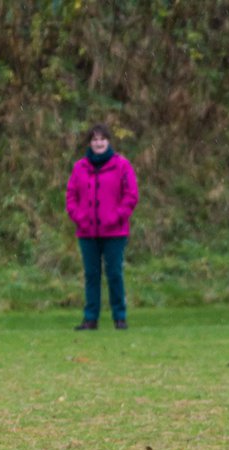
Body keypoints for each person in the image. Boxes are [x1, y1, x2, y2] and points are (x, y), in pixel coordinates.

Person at [66, 123, 139, 330]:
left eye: (102, 139)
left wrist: (117, 217)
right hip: (87, 232)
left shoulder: (122, 165)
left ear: (108, 141)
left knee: (114, 273)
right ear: (90, 143)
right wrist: (80, 217)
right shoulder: (79, 167)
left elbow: (131, 195)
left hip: (115, 231)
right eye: (95, 139)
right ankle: (90, 318)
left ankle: (119, 317)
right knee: (91, 274)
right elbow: (71, 196)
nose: (99, 143)